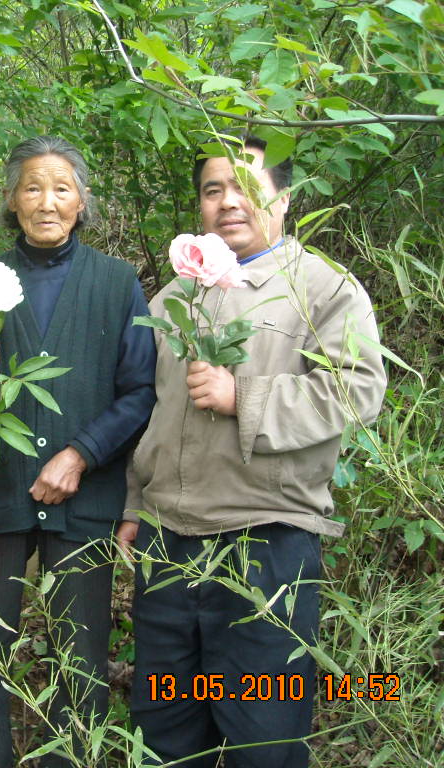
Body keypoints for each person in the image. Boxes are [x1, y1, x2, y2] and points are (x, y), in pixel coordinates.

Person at [120, 136, 387, 767]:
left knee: (263, 732)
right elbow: (148, 411)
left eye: (245, 186)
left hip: (265, 543)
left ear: (284, 198)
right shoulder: (174, 299)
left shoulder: (320, 288)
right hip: (169, 544)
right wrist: (134, 502)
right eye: (213, 190)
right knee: (165, 727)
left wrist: (245, 395)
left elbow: (357, 391)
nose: (228, 202)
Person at [0, 136, 157, 768]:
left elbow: (141, 390)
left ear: (81, 200)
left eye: (61, 187)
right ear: (11, 201)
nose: (47, 200)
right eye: (32, 187)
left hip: (83, 498)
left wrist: (81, 455)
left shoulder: (116, 283)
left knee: (80, 654)